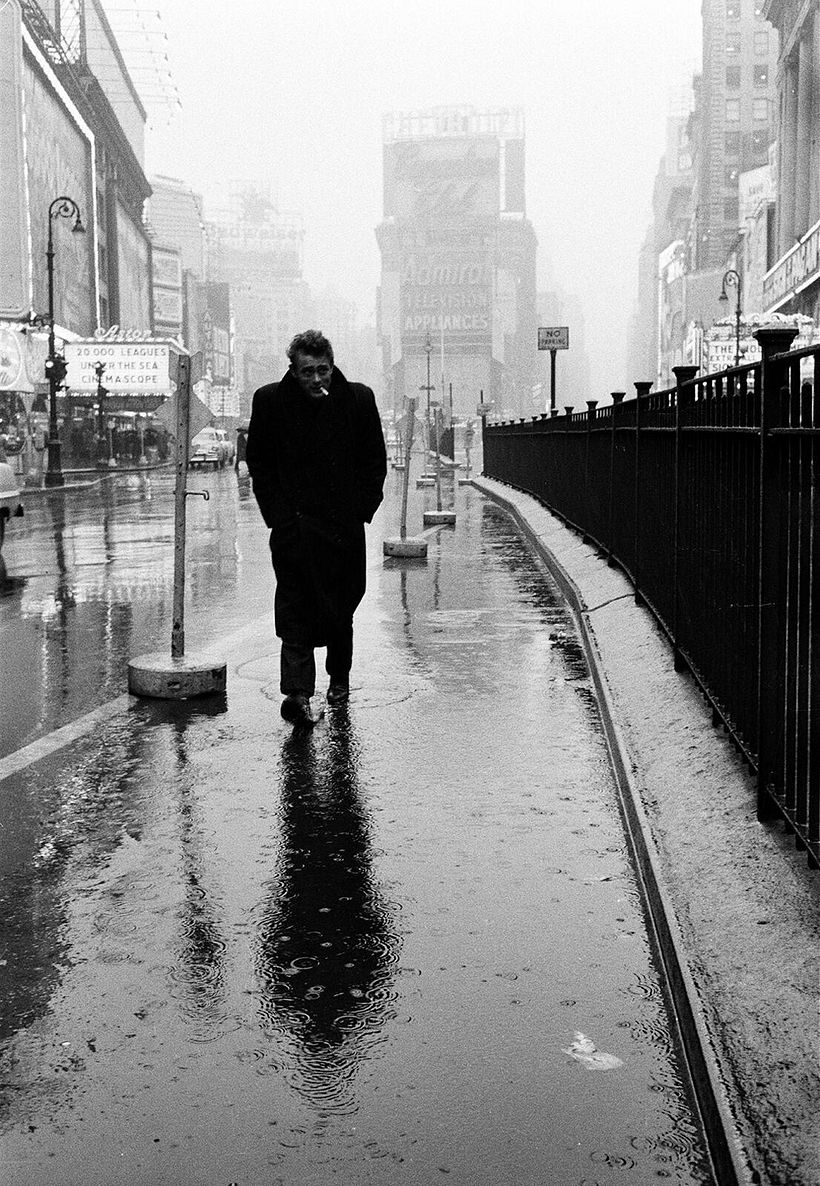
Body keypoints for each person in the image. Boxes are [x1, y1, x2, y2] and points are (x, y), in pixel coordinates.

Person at [246, 330, 387, 727]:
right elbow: (259, 462)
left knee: (341, 608)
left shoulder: (358, 399)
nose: (316, 380)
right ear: (293, 370)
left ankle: (338, 680)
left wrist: (359, 509)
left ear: (332, 364)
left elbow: (374, 460)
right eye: (307, 372)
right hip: (295, 530)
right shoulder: (270, 401)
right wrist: (277, 515)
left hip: (342, 531)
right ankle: (297, 693)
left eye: (322, 370)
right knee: (294, 608)